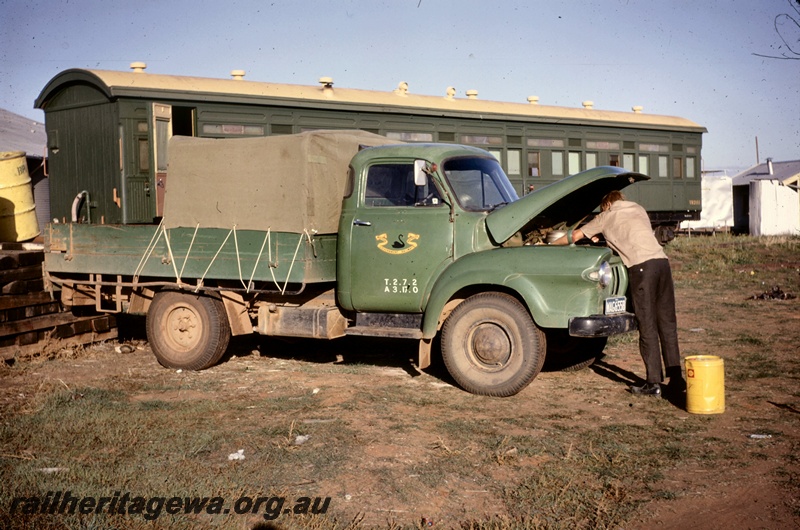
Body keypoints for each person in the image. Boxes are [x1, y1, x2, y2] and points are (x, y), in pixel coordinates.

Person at [550, 190, 686, 399]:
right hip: (662, 264)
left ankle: (653, 383)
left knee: (647, 324)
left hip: (643, 269)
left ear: (606, 205)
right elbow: (631, 234)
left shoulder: (606, 216)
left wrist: (547, 244)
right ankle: (676, 379)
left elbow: (574, 236)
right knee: (667, 323)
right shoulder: (638, 209)